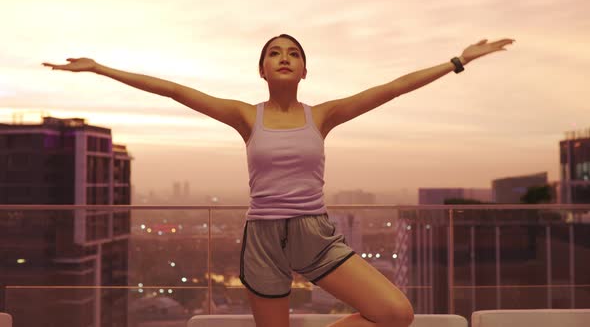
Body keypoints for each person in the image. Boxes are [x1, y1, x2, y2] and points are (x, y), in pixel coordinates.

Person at [43, 34, 515, 327]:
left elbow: (390, 88)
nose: (284, 58)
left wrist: (459, 61)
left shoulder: (322, 115)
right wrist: (100, 68)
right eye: (274, 53)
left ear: (305, 70)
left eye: (293, 54)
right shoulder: (247, 116)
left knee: (396, 314)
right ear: (263, 70)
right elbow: (172, 89)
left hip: (316, 236)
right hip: (263, 242)